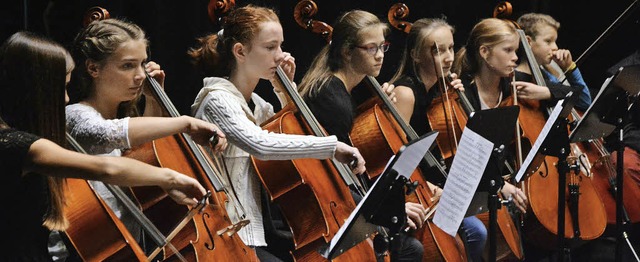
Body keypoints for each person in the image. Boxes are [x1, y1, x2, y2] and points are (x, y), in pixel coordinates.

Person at [0, 31, 206, 261]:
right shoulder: (15, 145)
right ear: (34, 88)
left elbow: (137, 155)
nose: (66, 98)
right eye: (61, 88)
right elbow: (105, 168)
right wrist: (169, 176)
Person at [187, 5, 366, 261]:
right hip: (226, 236)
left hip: (257, 235)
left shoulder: (259, 105)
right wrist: (333, 147)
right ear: (240, 51)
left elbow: (289, 131)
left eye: (281, 46)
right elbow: (262, 144)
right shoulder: (216, 100)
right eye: (270, 47)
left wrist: (285, 90)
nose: (280, 56)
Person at [66, 18, 227, 245]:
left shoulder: (123, 119)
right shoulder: (74, 115)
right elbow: (106, 134)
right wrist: (185, 123)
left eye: (142, 63)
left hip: (128, 246)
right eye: (128, 65)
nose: (140, 74)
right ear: (93, 68)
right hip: (84, 249)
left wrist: (153, 99)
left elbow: (141, 153)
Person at [298, 10, 426, 262]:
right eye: (371, 48)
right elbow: (343, 175)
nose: (380, 56)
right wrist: (391, 209)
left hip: (343, 198)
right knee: (410, 248)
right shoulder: (331, 97)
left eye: (383, 46)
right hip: (325, 205)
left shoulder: (339, 90)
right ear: (347, 52)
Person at [388, 18, 497, 262]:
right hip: (415, 191)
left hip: (438, 187)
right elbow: (396, 154)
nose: (448, 57)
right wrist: (427, 187)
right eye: (437, 50)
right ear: (416, 55)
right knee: (476, 231)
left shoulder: (441, 90)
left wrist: (455, 99)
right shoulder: (405, 93)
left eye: (450, 48)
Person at [517, 13, 591, 111]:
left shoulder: (546, 76)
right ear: (528, 41)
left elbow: (584, 102)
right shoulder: (513, 76)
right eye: (548, 41)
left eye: (555, 41)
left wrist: (569, 68)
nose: (555, 47)